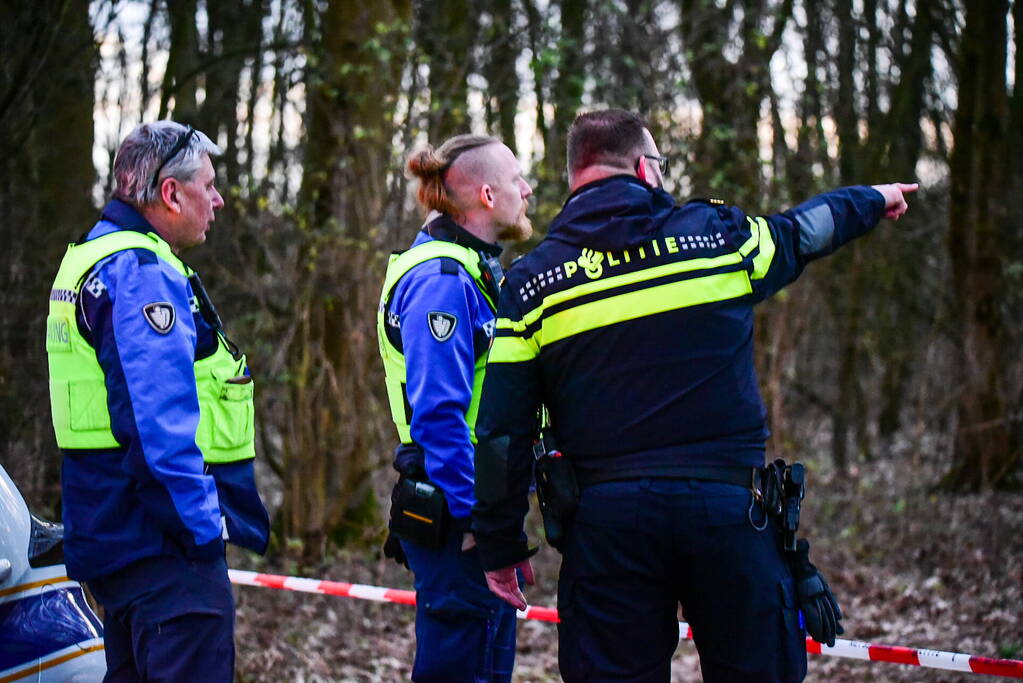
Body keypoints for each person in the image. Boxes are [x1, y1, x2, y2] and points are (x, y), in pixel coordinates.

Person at [471, 109, 917, 682]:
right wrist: (872, 199)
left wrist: (501, 544)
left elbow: (503, 431)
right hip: (730, 515)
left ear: (576, 174)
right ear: (644, 168)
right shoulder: (719, 238)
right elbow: (802, 233)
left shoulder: (530, 283)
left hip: (608, 528)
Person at [45, 121, 269, 682]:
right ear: (170, 194)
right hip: (160, 544)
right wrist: (202, 528)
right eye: (209, 185)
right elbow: (155, 425)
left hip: (113, 529)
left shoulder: (93, 257)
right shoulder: (142, 272)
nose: (217, 199)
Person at [377, 134, 534, 682]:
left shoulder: (472, 270)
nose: (528, 191)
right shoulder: (441, 281)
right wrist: (480, 523)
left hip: (476, 511)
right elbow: (440, 417)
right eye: (518, 181)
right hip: (458, 519)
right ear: (487, 195)